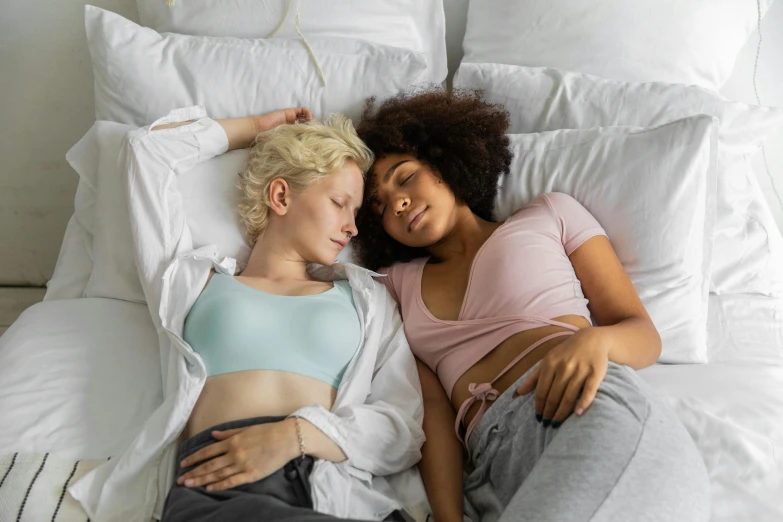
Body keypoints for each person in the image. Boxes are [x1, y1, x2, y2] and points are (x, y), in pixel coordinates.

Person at [352, 88, 711, 522]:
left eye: (404, 177)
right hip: (493, 469)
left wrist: (594, 342)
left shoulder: (550, 214)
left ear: (445, 162)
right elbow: (432, 412)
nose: (397, 202)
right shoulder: (394, 286)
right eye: (380, 206)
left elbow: (644, 336)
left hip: (586, 409)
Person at [93, 105, 425, 521]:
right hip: (222, 488)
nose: (352, 227)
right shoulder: (192, 281)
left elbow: (402, 430)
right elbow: (147, 151)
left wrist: (294, 435)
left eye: (355, 212)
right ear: (281, 195)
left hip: (331, 490)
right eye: (340, 203)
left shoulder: (369, 300)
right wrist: (255, 129)